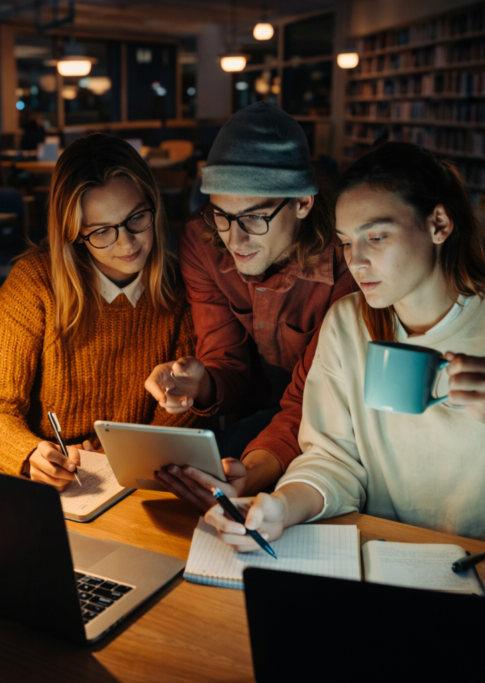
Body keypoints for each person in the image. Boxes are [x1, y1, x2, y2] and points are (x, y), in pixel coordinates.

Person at [205, 142, 485, 565]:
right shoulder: (347, 323)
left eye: (376, 237)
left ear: (439, 224)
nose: (356, 262)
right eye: (346, 242)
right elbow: (332, 460)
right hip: (395, 567)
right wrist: (280, 507)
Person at [143, 102, 355, 509]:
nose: (234, 241)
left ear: (303, 202)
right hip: (252, 412)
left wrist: (254, 472)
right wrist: (200, 383)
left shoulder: (348, 255)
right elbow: (226, 361)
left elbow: (315, 401)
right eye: (221, 215)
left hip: (334, 418)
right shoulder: (202, 240)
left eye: (255, 218)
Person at [0, 133, 202, 489]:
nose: (127, 242)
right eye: (102, 231)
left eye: (137, 217)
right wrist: (29, 454)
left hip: (138, 482)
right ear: (75, 233)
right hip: (52, 483)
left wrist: (113, 458)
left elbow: (183, 420)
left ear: (154, 204)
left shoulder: (183, 286)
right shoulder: (34, 282)